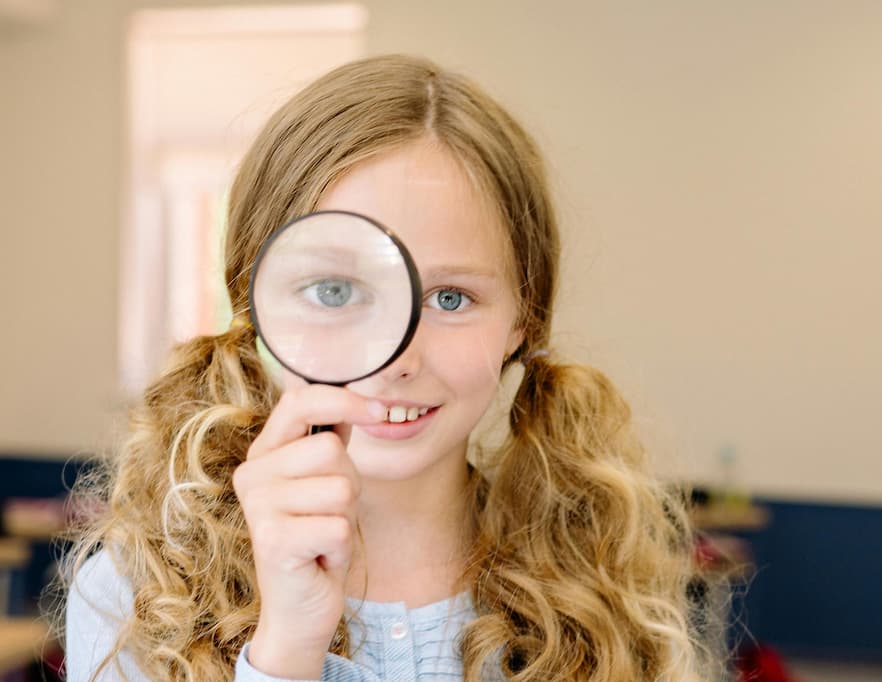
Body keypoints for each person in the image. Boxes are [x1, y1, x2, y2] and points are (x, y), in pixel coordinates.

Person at [62, 54, 723, 681]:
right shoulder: (139, 593)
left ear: (523, 320)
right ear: (255, 303)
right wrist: (286, 648)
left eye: (450, 298)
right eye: (335, 291)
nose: (397, 361)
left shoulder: (603, 591)